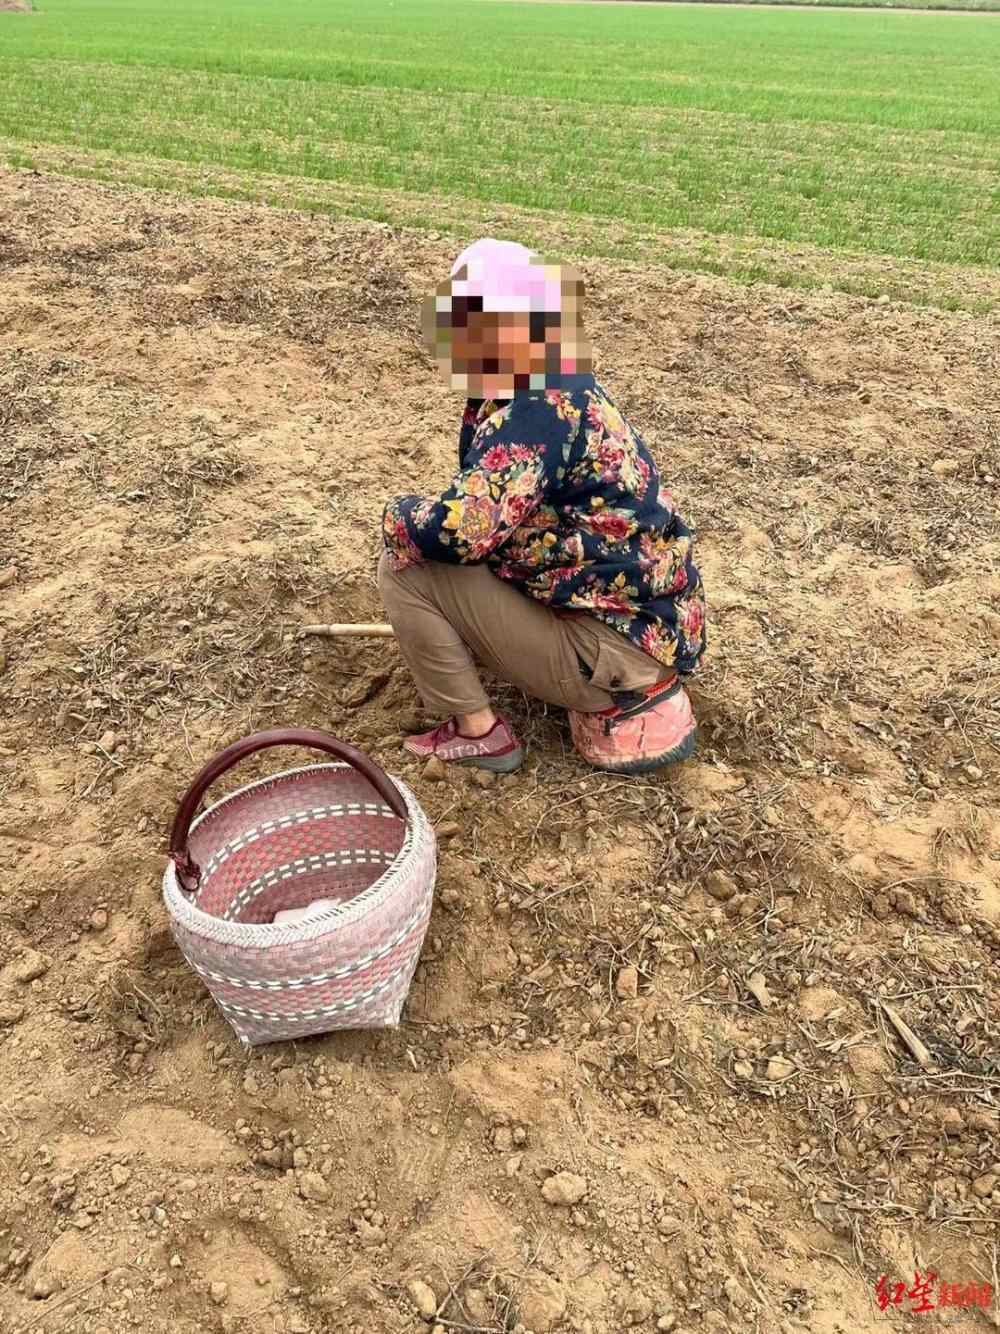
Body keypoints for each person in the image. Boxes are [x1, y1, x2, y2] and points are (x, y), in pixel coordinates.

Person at [378, 238, 706, 776]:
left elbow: (460, 534)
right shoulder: (562, 382)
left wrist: (399, 514)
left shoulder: (535, 410)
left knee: (406, 566)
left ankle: (478, 734)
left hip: (614, 655)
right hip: (650, 631)